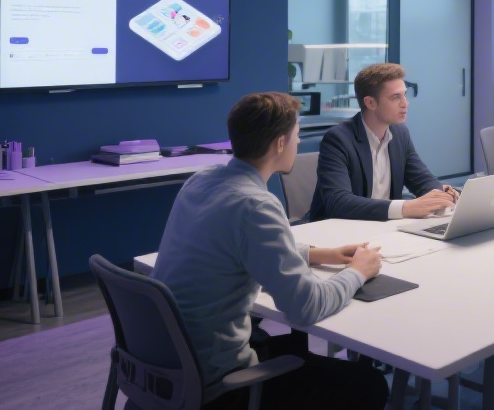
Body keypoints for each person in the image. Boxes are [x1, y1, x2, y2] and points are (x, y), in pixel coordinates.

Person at [151, 92, 389, 410]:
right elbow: (305, 307)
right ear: (279, 143)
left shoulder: (202, 180)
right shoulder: (255, 204)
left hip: (173, 363)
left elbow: (242, 246)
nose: (298, 141)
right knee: (368, 384)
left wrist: (322, 254)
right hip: (221, 384)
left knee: (296, 351)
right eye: (296, 135)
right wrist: (358, 271)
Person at [310, 63, 458, 221]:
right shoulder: (338, 139)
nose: (405, 104)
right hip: (340, 232)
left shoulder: (400, 134)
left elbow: (422, 179)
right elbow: (338, 202)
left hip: (386, 228)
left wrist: (438, 194)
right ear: (370, 103)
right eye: (396, 97)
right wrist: (406, 207)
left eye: (404, 95)